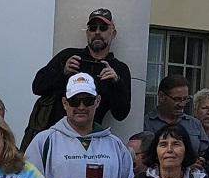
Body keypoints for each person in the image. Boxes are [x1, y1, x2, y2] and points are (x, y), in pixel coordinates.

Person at [25, 8, 131, 148]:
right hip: (55, 137)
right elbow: (37, 86)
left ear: (113, 33)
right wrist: (62, 72)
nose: (97, 32)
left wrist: (116, 82)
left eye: (103, 28)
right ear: (87, 33)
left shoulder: (118, 69)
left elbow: (121, 114)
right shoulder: (69, 55)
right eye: (93, 28)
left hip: (89, 141)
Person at [142, 74, 209, 157]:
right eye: (177, 99)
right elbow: (145, 157)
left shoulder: (194, 124)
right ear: (161, 97)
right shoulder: (145, 123)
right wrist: (186, 164)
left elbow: (206, 154)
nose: (182, 104)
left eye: (185, 99)